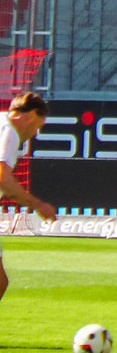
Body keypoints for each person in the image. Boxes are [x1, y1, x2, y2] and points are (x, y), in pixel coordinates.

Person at [0, 92, 57, 303]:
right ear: (32, 115)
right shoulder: (9, 132)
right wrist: (38, 205)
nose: (34, 133)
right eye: (37, 127)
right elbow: (2, 178)